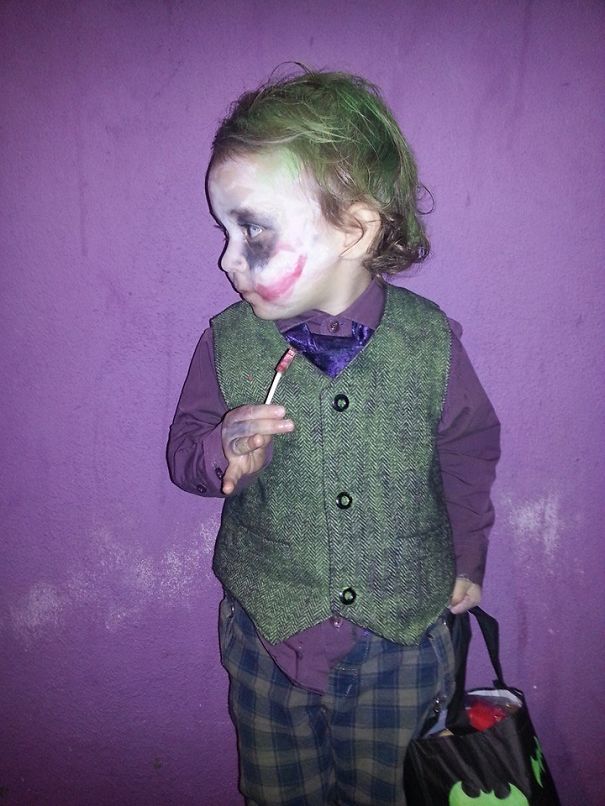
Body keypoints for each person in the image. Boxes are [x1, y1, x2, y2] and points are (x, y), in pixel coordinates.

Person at [167, 68, 500, 806]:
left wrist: (468, 554)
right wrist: (220, 449)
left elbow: (468, 452)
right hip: (266, 640)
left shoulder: (429, 343)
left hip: (402, 642)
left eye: (250, 229)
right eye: (225, 230)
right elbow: (184, 449)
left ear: (354, 227)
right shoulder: (225, 343)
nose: (226, 257)